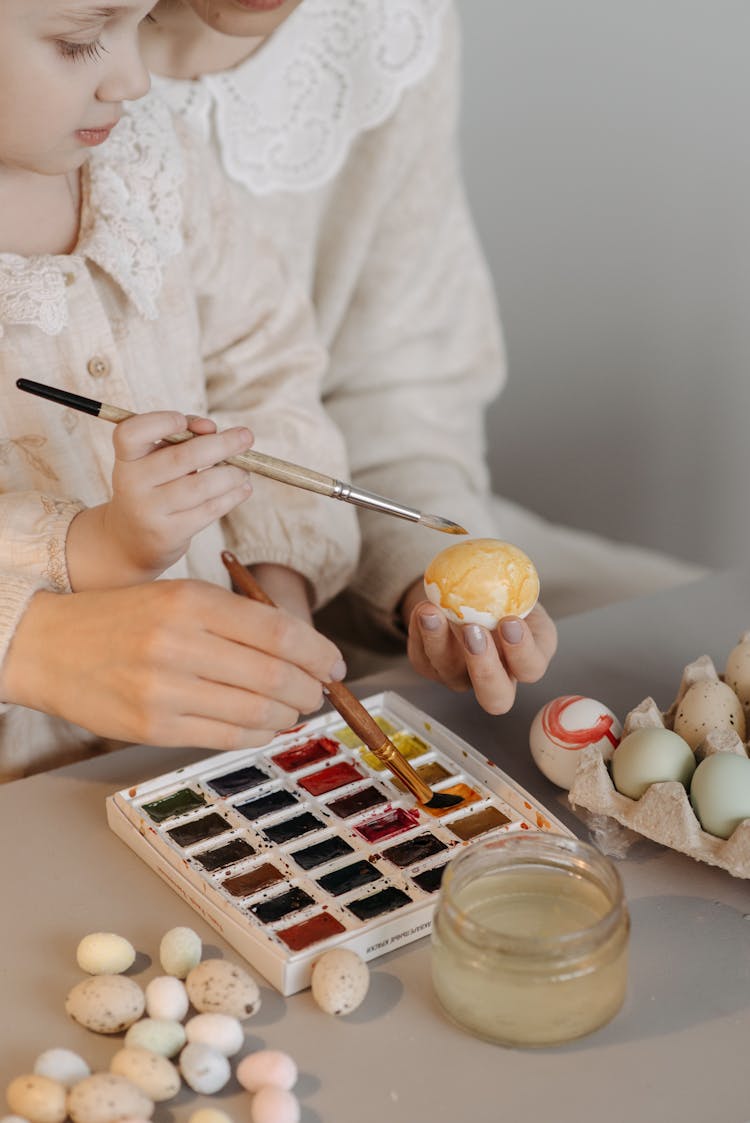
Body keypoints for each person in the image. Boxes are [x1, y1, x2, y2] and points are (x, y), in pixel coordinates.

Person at [140, 0, 702, 708]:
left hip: (352, 567)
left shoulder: (381, 28)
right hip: (85, 605)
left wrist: (429, 580)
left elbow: (396, 400)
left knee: (689, 641)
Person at [0, 0, 360, 781]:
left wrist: (276, 581)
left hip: (207, 748)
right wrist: (92, 548)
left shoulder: (150, 160)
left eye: (142, 21)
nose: (133, 77)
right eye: (81, 41)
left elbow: (264, 366)